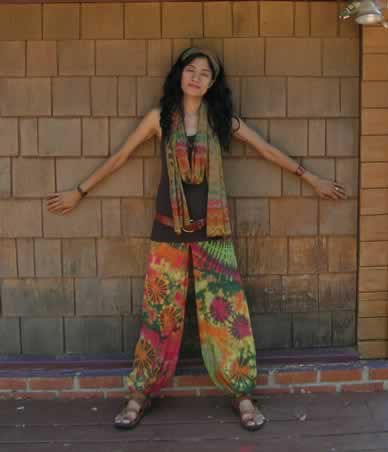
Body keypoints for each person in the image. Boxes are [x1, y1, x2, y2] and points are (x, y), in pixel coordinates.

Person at [46, 47, 347, 431]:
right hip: (167, 230)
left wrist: (311, 178)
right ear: (180, 74)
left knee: (227, 315)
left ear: (212, 83)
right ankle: (139, 394)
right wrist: (80, 191)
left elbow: (266, 150)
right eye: (191, 70)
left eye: (205, 73)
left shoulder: (222, 121)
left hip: (213, 231)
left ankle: (241, 394)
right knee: (160, 315)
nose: (197, 77)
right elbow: (120, 157)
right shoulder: (159, 119)